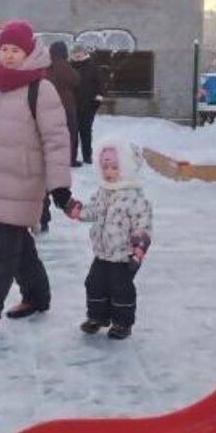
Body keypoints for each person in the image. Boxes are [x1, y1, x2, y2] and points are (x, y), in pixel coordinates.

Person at [0, 20, 72, 335]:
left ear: (28, 52)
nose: (8, 55)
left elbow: (56, 141)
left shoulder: (40, 89)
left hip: (23, 182)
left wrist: (59, 186)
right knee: (18, 244)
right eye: (4, 48)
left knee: (3, 250)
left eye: (15, 50)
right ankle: (37, 295)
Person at [66, 141, 152, 340]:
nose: (109, 172)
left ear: (127, 169)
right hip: (102, 253)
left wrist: (139, 249)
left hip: (123, 256)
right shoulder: (103, 191)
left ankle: (123, 323)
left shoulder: (135, 197)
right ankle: (97, 317)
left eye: (114, 167)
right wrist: (79, 212)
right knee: (94, 283)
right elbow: (93, 210)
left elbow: (143, 224)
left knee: (121, 289)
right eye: (105, 167)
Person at [39, 41, 80, 231]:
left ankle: (42, 213)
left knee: (42, 168)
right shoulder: (66, 68)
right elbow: (76, 80)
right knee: (63, 147)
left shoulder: (45, 67)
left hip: (45, 113)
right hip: (66, 110)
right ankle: (69, 158)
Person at [71, 44, 104, 166]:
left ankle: (87, 157)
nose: (77, 55)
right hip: (73, 106)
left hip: (88, 106)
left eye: (80, 52)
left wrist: (96, 102)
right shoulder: (70, 66)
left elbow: (100, 85)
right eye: (75, 52)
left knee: (86, 132)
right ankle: (72, 157)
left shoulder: (92, 67)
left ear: (84, 53)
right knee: (73, 133)